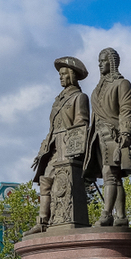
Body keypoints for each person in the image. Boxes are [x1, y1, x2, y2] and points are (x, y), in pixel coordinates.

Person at [26, 56, 90, 234]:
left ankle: (60, 219)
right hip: (53, 147)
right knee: (45, 181)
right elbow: (52, 127)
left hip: (67, 147)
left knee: (63, 184)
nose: (60, 77)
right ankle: (42, 221)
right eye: (60, 74)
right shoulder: (58, 100)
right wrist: (42, 150)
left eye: (63, 74)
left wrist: (75, 151)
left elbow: (82, 124)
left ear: (71, 75)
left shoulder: (79, 98)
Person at [84, 47, 131, 227]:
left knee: (110, 173)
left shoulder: (122, 84)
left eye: (103, 61)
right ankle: (121, 216)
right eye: (98, 62)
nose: (100, 65)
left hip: (113, 135)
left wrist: (126, 132)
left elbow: (126, 110)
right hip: (97, 137)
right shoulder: (96, 89)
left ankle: (107, 214)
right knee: (113, 177)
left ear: (112, 63)